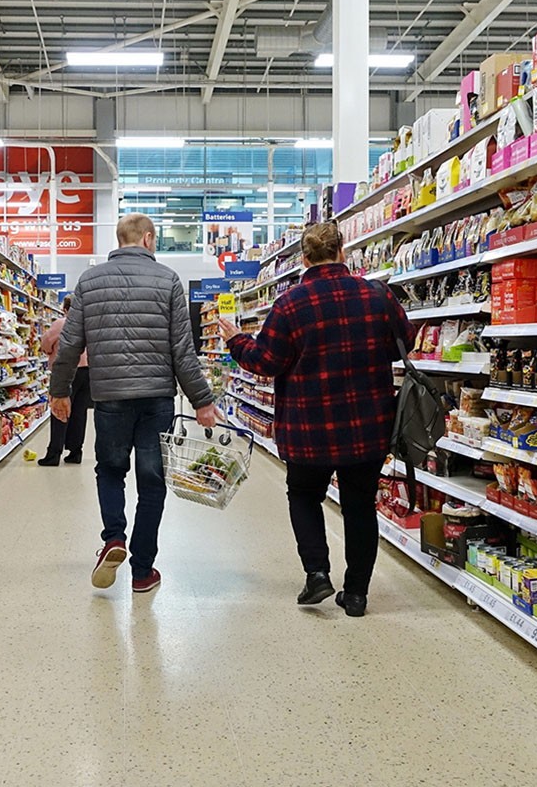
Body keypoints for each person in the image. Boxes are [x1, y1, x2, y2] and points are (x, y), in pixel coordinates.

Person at [219, 222, 413, 617]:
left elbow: (266, 362)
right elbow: (405, 342)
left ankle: (318, 574)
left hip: (310, 428)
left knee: (304, 496)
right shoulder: (377, 294)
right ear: (342, 252)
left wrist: (236, 339)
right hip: (367, 425)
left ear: (304, 259)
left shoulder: (291, 304)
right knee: (360, 506)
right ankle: (356, 594)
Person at [50, 213, 217, 594]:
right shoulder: (168, 280)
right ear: (147, 239)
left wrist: (59, 391)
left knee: (109, 470)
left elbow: (70, 344)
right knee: (151, 482)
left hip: (109, 396)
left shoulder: (89, 281)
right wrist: (202, 401)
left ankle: (113, 539)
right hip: (157, 397)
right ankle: (142, 571)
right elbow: (182, 351)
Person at [39, 296, 90, 466]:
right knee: (79, 412)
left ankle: (54, 454)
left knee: (59, 410)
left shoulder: (61, 323)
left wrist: (50, 351)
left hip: (65, 371)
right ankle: (76, 452)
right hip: (87, 372)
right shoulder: (88, 323)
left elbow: (46, 344)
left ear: (66, 309)